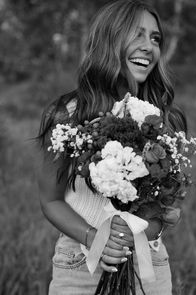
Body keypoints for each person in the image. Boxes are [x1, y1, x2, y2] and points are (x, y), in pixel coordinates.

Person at [37, 0, 187, 294]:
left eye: (155, 38)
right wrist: (96, 238)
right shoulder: (67, 115)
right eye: (137, 34)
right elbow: (50, 200)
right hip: (79, 264)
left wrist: (142, 227)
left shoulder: (166, 119)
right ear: (109, 39)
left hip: (148, 264)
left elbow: (169, 204)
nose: (149, 46)